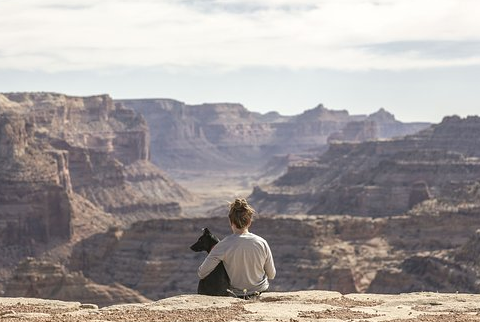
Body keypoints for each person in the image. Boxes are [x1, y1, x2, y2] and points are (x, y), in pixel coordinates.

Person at [197, 198, 276, 298]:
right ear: (249, 222)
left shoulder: (222, 245)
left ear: (231, 222)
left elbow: (201, 273)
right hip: (261, 293)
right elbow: (272, 275)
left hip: (237, 296)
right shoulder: (262, 243)